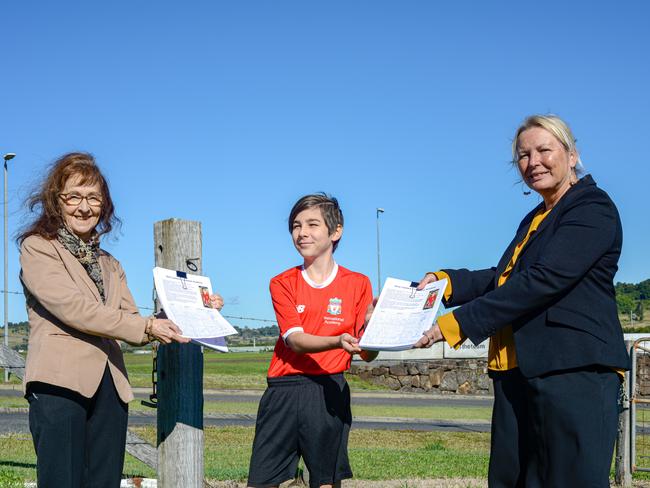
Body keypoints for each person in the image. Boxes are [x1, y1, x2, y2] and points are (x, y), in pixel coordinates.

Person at [415, 115, 629, 487]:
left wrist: (452, 325)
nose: (534, 162)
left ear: (573, 153)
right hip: (518, 373)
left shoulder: (592, 207)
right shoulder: (536, 217)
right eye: (524, 155)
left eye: (544, 150)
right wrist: (446, 282)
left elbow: (541, 280)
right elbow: (504, 278)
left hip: (573, 371)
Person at [19, 152, 191, 488]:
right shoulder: (38, 248)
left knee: (105, 482)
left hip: (110, 388)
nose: (84, 207)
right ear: (57, 201)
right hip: (59, 386)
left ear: (104, 204)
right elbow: (74, 308)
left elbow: (130, 318)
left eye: (93, 198)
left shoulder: (110, 263)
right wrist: (144, 326)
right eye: (74, 197)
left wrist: (191, 310)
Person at [247, 193, 376, 488]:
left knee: (326, 482)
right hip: (284, 390)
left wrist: (373, 328)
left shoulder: (358, 284)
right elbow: (296, 340)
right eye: (296, 225)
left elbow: (367, 354)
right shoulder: (282, 282)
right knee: (261, 481)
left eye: (312, 224)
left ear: (335, 231)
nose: (302, 232)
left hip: (330, 389)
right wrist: (337, 340)